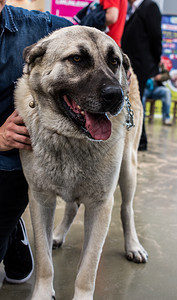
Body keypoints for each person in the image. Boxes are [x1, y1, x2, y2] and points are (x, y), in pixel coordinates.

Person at [0, 0, 72, 284]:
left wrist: (114, 61)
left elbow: (91, 38)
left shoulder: (39, 27)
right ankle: (13, 227)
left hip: (13, 160)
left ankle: (10, 225)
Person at [121, 0, 162, 150]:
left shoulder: (149, 6)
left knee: (138, 102)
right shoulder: (131, 10)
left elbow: (156, 36)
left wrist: (154, 62)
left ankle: (141, 141)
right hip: (130, 65)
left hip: (141, 65)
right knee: (132, 102)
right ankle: (138, 139)